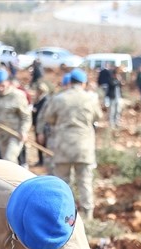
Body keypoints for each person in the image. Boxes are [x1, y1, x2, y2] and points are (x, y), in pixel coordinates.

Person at [38, 68, 100, 221]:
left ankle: (64, 215)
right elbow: (97, 116)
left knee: (62, 182)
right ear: (84, 83)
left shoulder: (60, 98)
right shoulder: (91, 98)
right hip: (83, 146)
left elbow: (49, 118)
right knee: (85, 180)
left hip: (63, 145)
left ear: (70, 82)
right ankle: (88, 214)